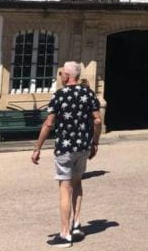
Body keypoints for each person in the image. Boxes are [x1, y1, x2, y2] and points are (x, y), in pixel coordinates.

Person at [32, 61, 102, 248]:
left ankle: (64, 234)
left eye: (62, 72)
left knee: (65, 188)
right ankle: (76, 225)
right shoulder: (89, 93)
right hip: (83, 147)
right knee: (77, 183)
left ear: (68, 75)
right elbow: (97, 121)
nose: (60, 75)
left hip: (65, 148)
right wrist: (95, 142)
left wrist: (37, 147)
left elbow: (49, 123)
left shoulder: (59, 95)